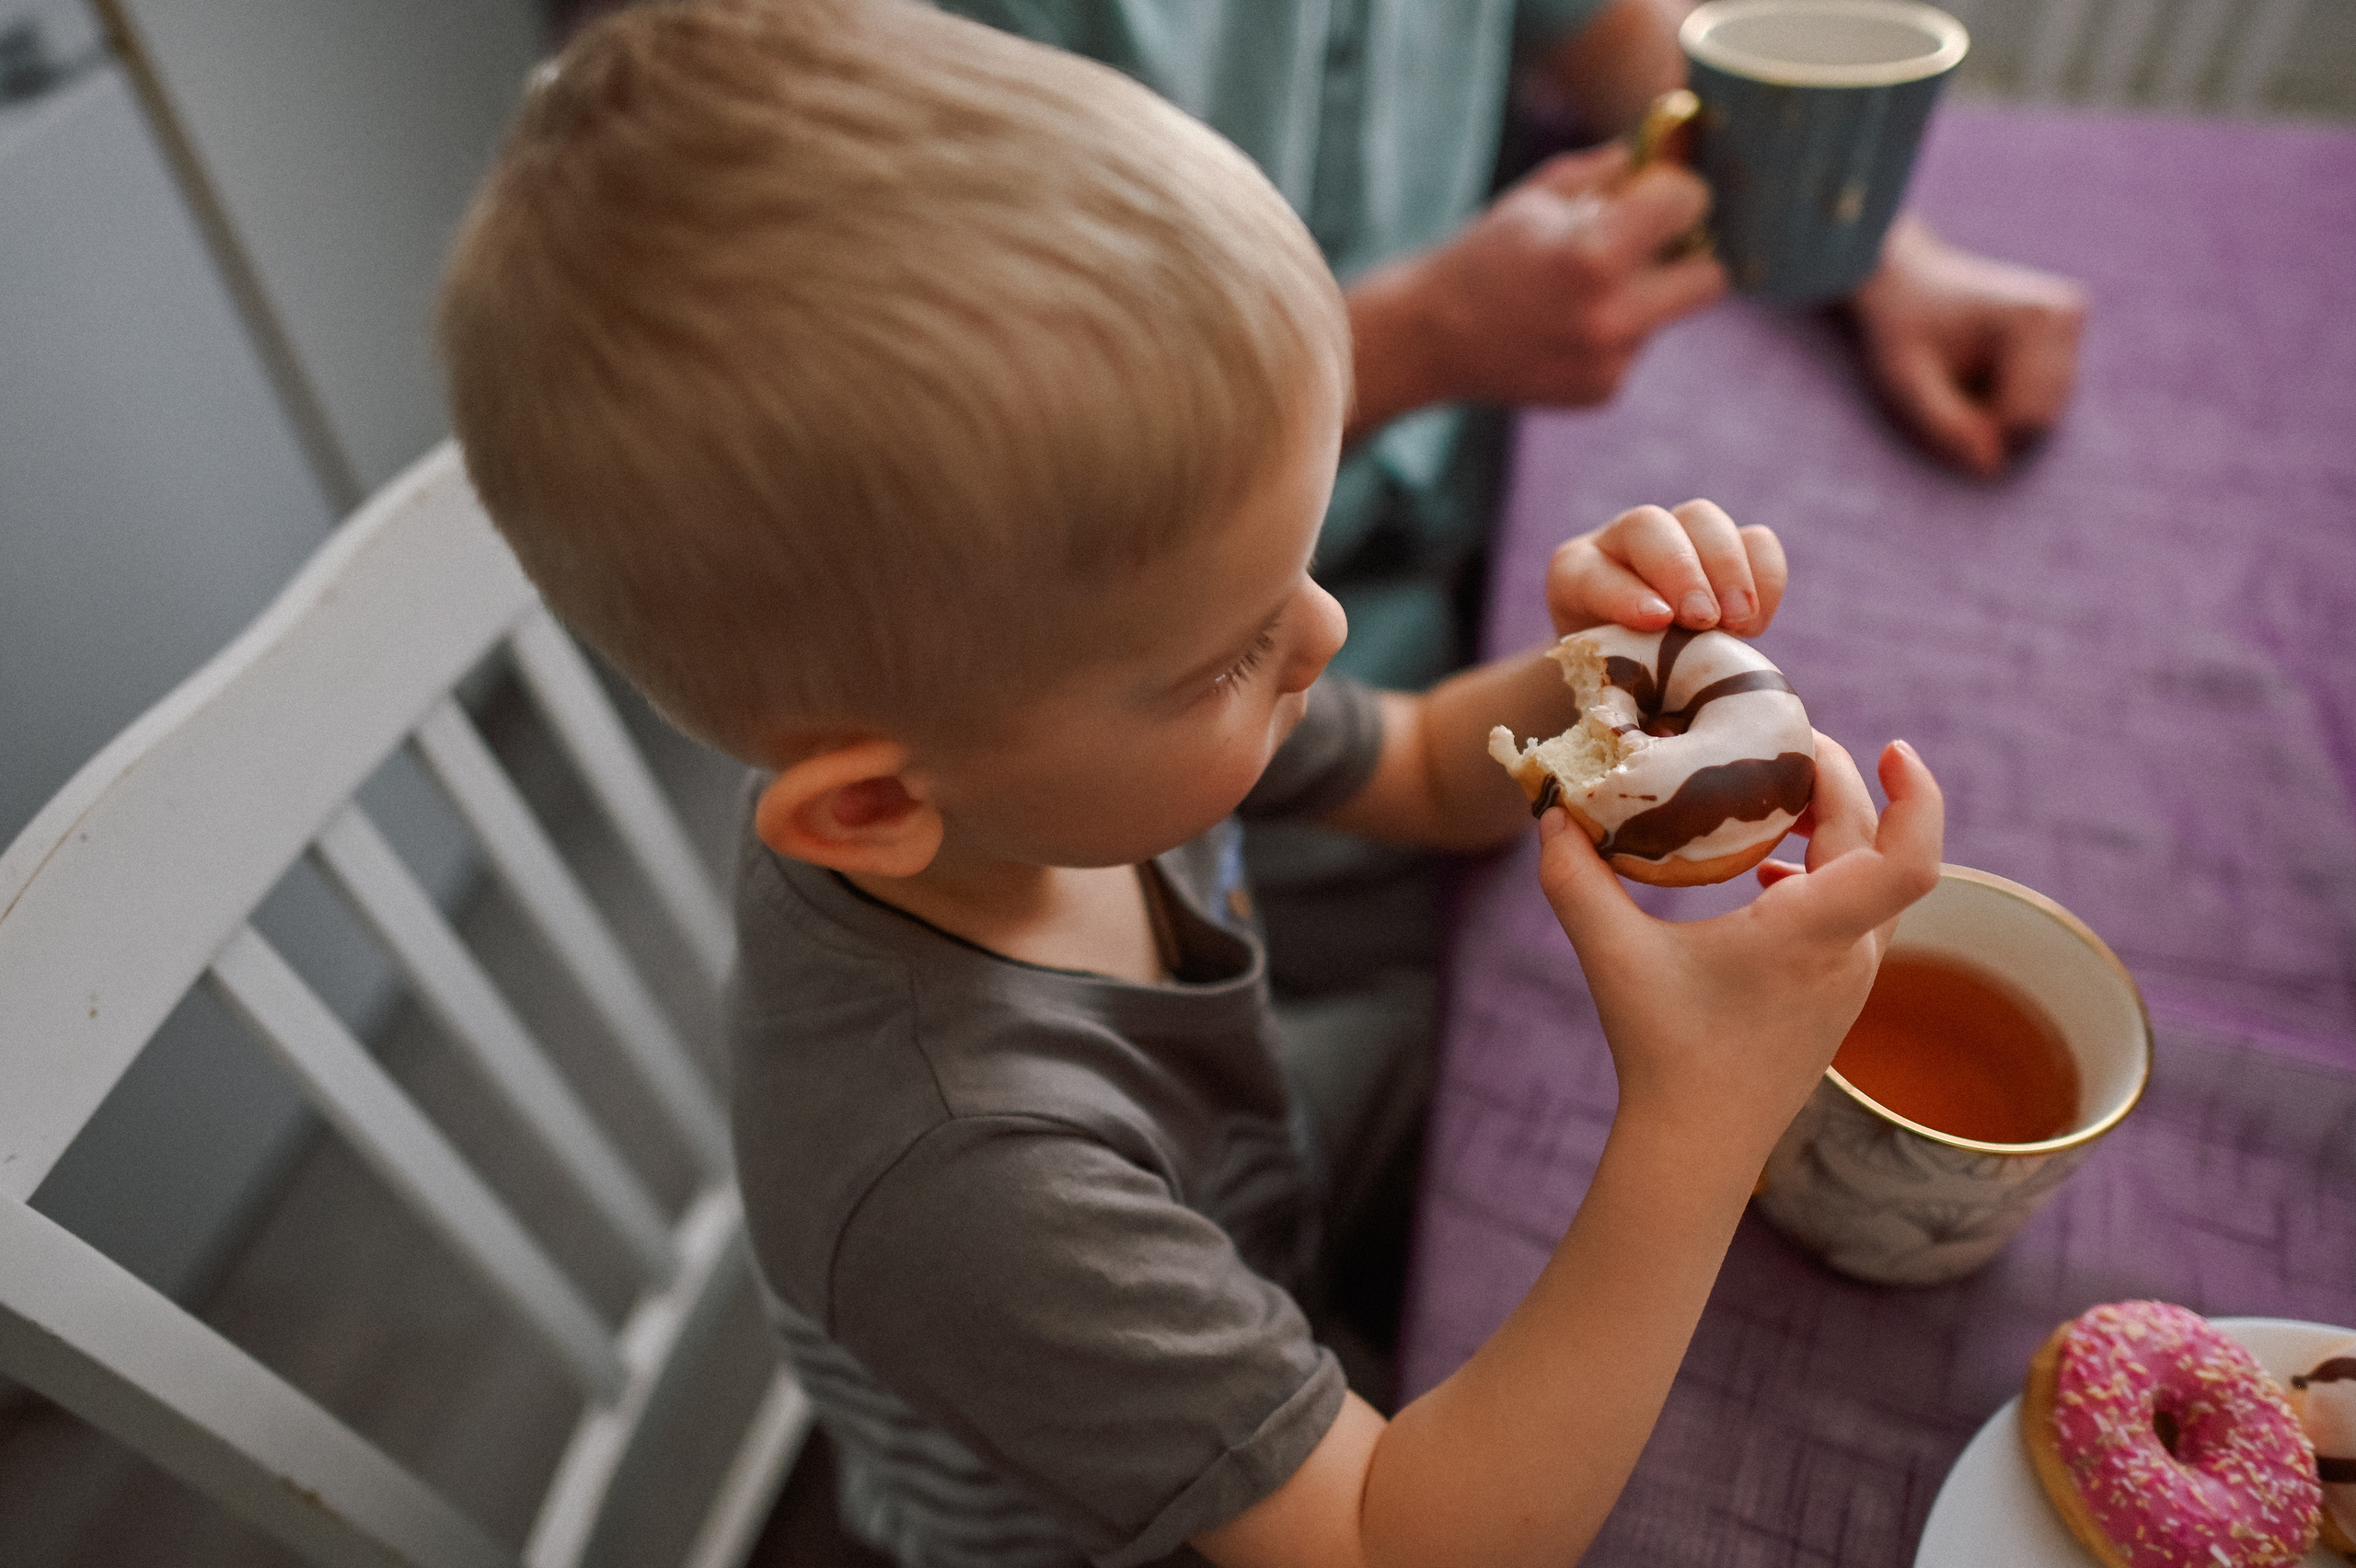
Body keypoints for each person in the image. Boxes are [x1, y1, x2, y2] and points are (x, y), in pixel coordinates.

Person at [438, 2, 1946, 1562]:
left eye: (1293, 569)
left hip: (1251, 1226)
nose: (1328, 630)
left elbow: (1431, 769)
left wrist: (1598, 680)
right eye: (1229, 648)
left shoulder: (1036, 766)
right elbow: (1396, 1545)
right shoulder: (966, 1177)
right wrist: (1697, 1121)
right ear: (874, 807)